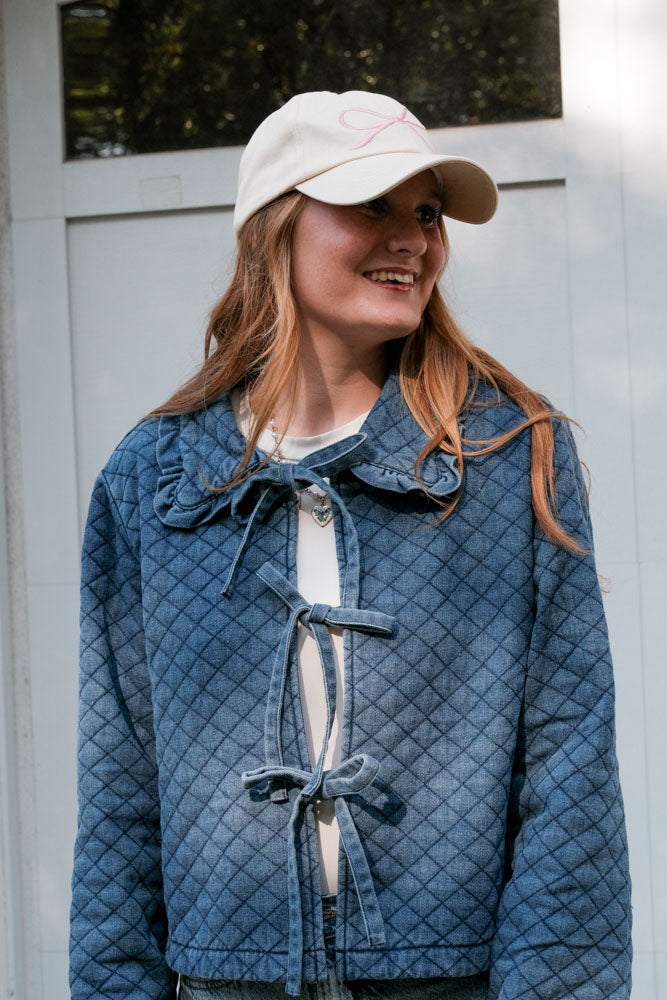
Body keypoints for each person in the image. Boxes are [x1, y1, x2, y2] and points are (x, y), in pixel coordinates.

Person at [69, 91, 632, 1000]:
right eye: (371, 205)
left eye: (424, 213)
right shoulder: (151, 479)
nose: (411, 238)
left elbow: (570, 779)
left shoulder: (506, 452)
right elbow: (119, 789)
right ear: (276, 227)